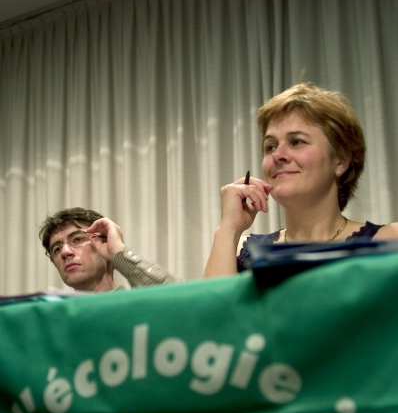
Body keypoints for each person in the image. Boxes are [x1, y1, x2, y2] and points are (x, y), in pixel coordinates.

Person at [203, 83, 398, 277]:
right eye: (270, 146)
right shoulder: (240, 252)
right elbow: (211, 308)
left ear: (341, 160)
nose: (278, 155)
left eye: (297, 142)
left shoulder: (391, 240)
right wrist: (228, 229)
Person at [39, 208, 178, 292]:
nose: (65, 252)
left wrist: (118, 252)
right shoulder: (57, 322)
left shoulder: (138, 306)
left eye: (77, 239)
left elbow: (180, 299)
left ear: (105, 242)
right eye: (57, 249)